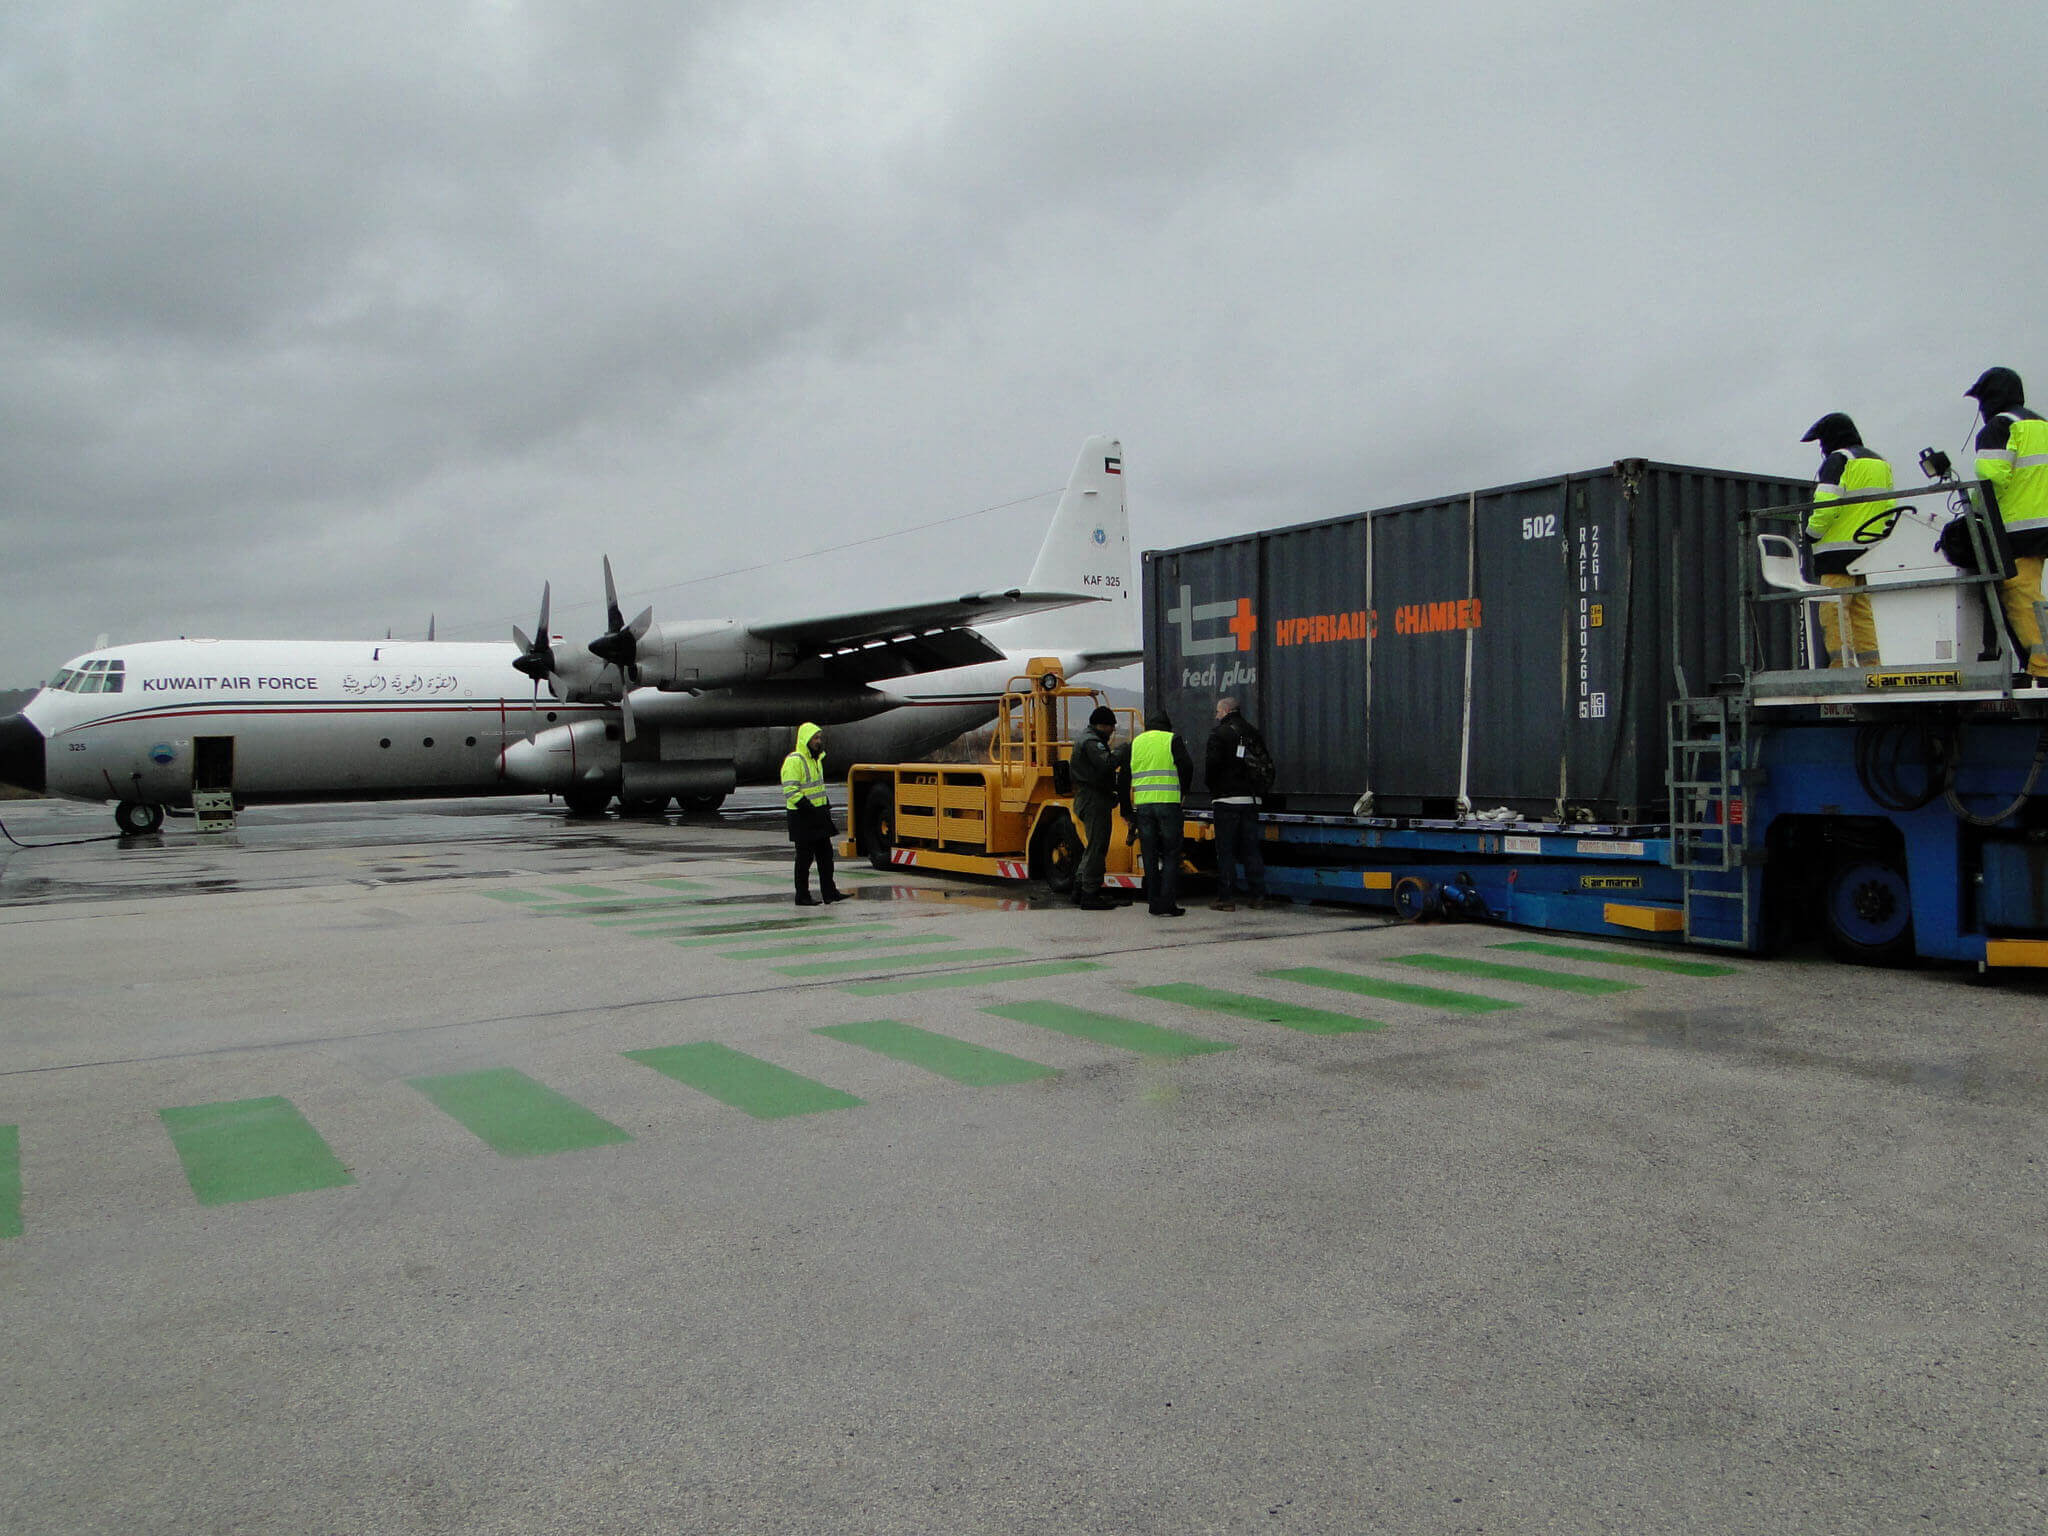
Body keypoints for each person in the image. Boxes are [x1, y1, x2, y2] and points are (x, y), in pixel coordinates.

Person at [1966, 367, 2048, 680]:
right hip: (2042, 525)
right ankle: (2034, 663)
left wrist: (1972, 515)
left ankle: (2042, 667)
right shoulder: (2040, 424)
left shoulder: (1999, 427)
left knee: (2020, 596)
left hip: (2016, 528)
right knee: (2032, 594)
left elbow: (1990, 479)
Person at [1800, 413, 1896, 668]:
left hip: (1836, 551)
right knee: (1861, 611)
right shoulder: (1880, 462)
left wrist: (1811, 534)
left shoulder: (1838, 460)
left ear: (1831, 438)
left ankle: (1840, 666)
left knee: (1833, 610)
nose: (1821, 448)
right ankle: (1870, 665)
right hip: (1869, 550)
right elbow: (1889, 506)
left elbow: (1826, 505)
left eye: (1822, 441)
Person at [1116, 710, 1193, 917]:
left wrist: (1126, 810)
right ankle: (1168, 902)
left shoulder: (1135, 744)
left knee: (1149, 854)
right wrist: (1183, 791)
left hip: (1144, 807)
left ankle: (1153, 902)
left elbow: (1123, 779)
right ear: (1167, 726)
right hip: (1168, 804)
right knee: (1170, 853)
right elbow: (1187, 766)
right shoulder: (1171, 740)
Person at [1204, 697, 1270, 911]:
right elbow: (1265, 762)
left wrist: (1213, 789)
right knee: (1251, 849)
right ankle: (1258, 896)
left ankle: (1226, 899)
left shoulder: (1219, 734)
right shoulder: (1253, 732)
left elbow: (1212, 766)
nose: (1216, 715)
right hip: (1251, 800)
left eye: (1217, 711)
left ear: (1225, 711)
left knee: (1226, 851)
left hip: (1226, 800)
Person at [780, 722, 846, 906]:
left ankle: (830, 892)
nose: (819, 742)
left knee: (826, 856)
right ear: (805, 740)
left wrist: (825, 806)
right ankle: (802, 896)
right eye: (815, 738)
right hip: (801, 816)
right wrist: (809, 808)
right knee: (804, 859)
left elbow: (818, 787)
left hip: (818, 814)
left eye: (819, 738)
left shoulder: (816, 759)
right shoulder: (795, 760)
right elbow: (791, 790)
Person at [1068, 705, 1121, 910]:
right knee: (1097, 847)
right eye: (1111, 726)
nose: (1113, 731)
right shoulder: (1091, 742)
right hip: (1093, 800)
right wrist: (1122, 751)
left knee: (1092, 847)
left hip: (1090, 797)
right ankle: (1090, 894)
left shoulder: (1087, 738)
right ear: (1102, 725)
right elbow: (1106, 764)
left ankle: (1080, 889)